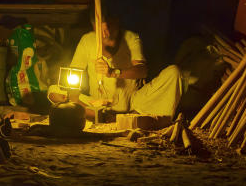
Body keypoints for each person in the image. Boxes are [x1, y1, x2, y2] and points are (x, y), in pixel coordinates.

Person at [48, 11, 184, 118]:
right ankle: (96, 116)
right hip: (96, 104)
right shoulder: (87, 40)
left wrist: (113, 72)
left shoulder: (131, 38)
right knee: (54, 90)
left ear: (117, 23)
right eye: (101, 30)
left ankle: (133, 117)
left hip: (133, 104)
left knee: (174, 73)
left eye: (110, 28)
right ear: (94, 26)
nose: (106, 34)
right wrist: (75, 99)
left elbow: (142, 71)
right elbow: (73, 74)